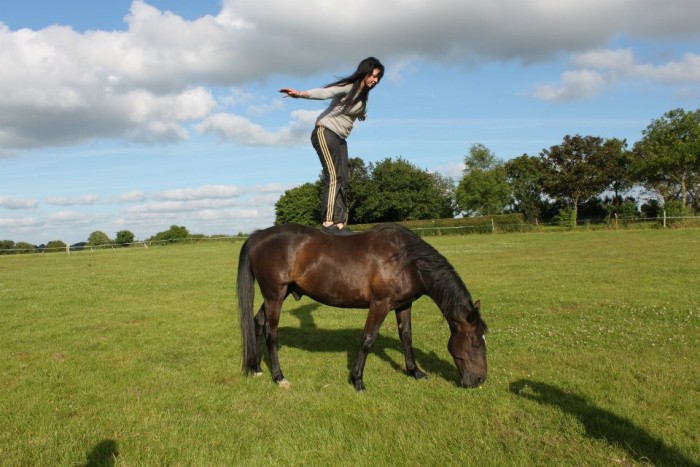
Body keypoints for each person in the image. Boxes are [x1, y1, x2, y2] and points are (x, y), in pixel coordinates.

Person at [280, 57, 384, 233]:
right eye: (373, 76)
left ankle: (340, 222)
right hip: (325, 131)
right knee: (334, 176)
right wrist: (300, 94)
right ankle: (328, 222)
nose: (375, 80)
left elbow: (361, 110)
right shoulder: (349, 87)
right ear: (365, 72)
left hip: (341, 138)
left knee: (343, 178)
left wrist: (362, 114)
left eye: (378, 78)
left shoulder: (363, 96)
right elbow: (325, 93)